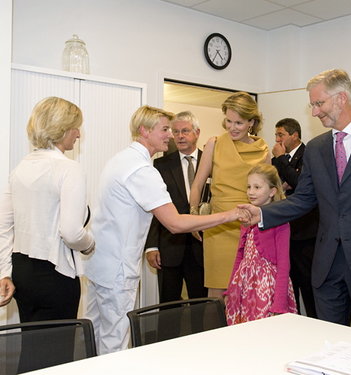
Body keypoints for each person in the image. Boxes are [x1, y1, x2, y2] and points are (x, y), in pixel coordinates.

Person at [239, 69, 351, 328]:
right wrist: (263, 213)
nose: (314, 112)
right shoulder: (316, 148)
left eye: (318, 103)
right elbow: (303, 199)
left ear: (341, 98)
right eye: (312, 105)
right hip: (327, 264)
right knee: (329, 340)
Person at [84, 105, 241, 355]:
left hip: (100, 263)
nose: (171, 135)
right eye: (165, 129)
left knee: (95, 333)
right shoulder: (142, 169)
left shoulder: (122, 159)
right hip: (117, 267)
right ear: (145, 131)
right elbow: (175, 223)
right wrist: (231, 215)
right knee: (114, 339)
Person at [0, 96, 94, 321]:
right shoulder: (69, 169)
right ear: (62, 129)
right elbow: (71, 232)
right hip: (55, 274)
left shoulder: (20, 168)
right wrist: (90, 244)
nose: (78, 134)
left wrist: (5, 272)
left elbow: (3, 226)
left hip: (22, 272)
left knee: (33, 345)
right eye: (75, 128)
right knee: (58, 350)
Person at [189, 92, 269, 299]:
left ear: (251, 122)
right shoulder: (214, 144)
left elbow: (268, 195)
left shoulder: (263, 150)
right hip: (218, 227)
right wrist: (194, 217)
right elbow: (197, 184)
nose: (232, 127)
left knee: (248, 290)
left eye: (239, 123)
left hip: (250, 226)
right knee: (217, 291)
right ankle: (217, 331)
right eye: (229, 121)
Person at [144, 111, 207, 302]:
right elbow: (153, 208)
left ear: (197, 132)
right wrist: (151, 246)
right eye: (176, 131)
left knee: (202, 303)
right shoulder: (160, 165)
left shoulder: (211, 162)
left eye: (185, 131)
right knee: (169, 304)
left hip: (203, 246)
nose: (179, 136)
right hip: (170, 247)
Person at [225, 164, 297, 325]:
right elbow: (239, 256)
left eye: (257, 187)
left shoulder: (280, 222)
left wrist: (279, 303)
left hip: (267, 288)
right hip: (245, 285)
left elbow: (284, 264)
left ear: (272, 191)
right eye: (249, 187)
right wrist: (231, 289)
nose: (251, 192)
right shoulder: (247, 219)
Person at [272, 118, 318, 318]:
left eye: (281, 135)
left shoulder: (309, 154)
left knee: (308, 285)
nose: (277, 139)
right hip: (284, 232)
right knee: (288, 284)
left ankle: (315, 323)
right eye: (276, 135)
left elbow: (301, 185)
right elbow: (274, 188)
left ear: (295, 135)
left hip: (305, 233)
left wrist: (283, 163)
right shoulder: (276, 159)